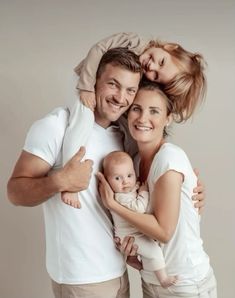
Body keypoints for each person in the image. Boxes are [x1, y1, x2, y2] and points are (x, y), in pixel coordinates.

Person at [7, 48, 205, 298]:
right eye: (113, 84)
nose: (121, 97)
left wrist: (190, 192)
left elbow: (145, 195)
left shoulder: (123, 137)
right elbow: (15, 192)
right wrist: (60, 181)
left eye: (130, 90)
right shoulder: (57, 126)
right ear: (94, 81)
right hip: (81, 279)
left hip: (119, 272)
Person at [97, 80, 217, 298]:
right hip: (152, 280)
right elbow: (141, 225)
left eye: (154, 111)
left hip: (184, 284)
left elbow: (164, 231)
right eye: (137, 109)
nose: (143, 118)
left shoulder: (169, 158)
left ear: (168, 118)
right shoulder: (131, 164)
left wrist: (113, 205)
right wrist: (130, 251)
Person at [61, 32, 207, 206]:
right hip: (84, 83)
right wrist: (86, 86)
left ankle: (131, 187)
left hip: (120, 224)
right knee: (82, 120)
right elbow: (99, 48)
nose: (151, 67)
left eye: (156, 76)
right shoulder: (134, 42)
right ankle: (70, 182)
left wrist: (186, 182)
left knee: (134, 141)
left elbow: (152, 131)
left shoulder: (141, 83)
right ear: (169, 47)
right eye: (161, 61)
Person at [102, 150, 177, 288]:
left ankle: (133, 259)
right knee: (154, 251)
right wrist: (143, 192)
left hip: (134, 232)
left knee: (150, 248)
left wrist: (136, 187)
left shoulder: (127, 190)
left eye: (129, 175)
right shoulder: (119, 197)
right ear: (107, 180)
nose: (125, 182)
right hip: (130, 235)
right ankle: (163, 279)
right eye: (117, 178)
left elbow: (132, 189)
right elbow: (139, 208)